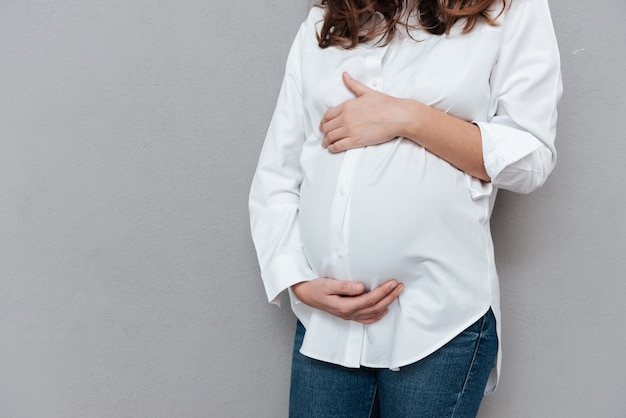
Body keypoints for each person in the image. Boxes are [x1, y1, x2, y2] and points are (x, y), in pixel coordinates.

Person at [249, 0, 562, 416]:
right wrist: (298, 281)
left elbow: (530, 158)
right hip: (328, 323)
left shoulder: (512, 8)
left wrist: (408, 117)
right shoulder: (327, 17)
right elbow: (278, 173)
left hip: (438, 323)